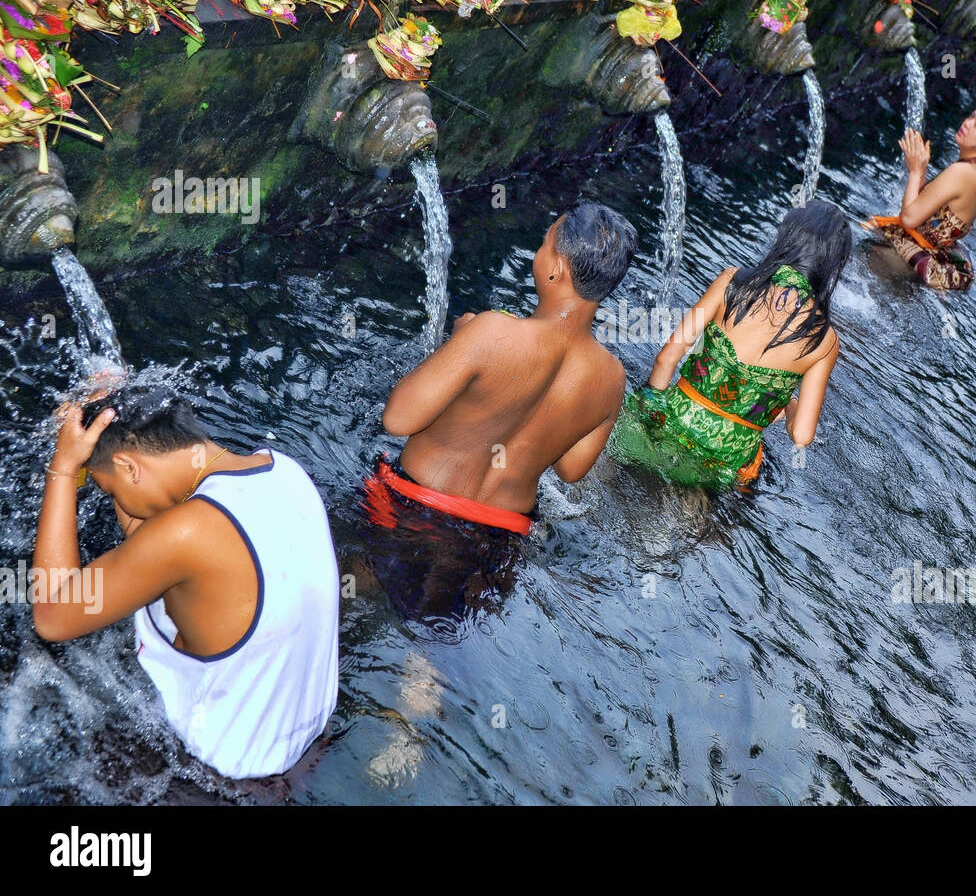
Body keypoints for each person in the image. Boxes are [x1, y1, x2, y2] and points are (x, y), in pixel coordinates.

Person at [31, 383, 339, 780]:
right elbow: (151, 531)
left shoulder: (184, 534)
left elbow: (52, 615)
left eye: (109, 490)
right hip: (309, 748)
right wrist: (121, 408)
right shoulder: (283, 470)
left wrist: (63, 469)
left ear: (128, 467)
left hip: (220, 780)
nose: (117, 503)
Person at [370, 202, 638, 546]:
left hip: (410, 505)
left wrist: (461, 343)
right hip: (500, 536)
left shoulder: (491, 331)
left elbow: (397, 419)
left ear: (556, 269)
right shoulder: (612, 378)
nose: (538, 253)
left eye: (544, 244)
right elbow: (572, 469)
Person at [608, 200, 850, 491]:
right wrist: (787, 401)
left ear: (787, 239)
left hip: (670, 422)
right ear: (832, 265)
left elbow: (667, 358)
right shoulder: (824, 340)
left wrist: (649, 412)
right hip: (723, 465)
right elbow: (801, 435)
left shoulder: (732, 282)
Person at [865, 100, 976, 290]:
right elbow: (926, 208)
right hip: (925, 259)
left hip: (902, 262)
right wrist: (921, 168)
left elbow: (909, 218)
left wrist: (914, 171)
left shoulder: (962, 172)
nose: (967, 123)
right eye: (972, 116)